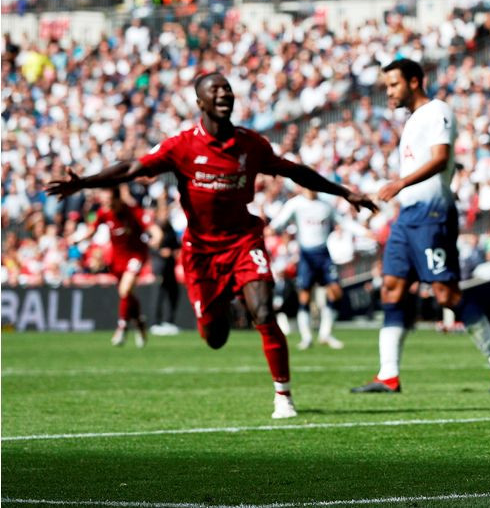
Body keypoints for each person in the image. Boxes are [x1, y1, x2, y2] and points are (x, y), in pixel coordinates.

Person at [47, 72, 377, 419]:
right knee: (215, 337)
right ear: (200, 102)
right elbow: (133, 167)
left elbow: (294, 171)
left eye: (227, 89)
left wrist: (344, 192)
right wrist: (84, 183)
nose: (223, 94)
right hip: (201, 254)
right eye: (214, 90)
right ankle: (220, 309)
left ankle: (283, 396)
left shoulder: (251, 144)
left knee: (264, 312)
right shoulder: (182, 146)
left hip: (244, 241)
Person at [351, 59, 490, 394]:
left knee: (446, 293)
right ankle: (388, 374)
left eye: (394, 84)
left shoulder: (437, 110)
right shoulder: (412, 120)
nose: (389, 92)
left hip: (432, 215)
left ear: (414, 81)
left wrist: (400, 183)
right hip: (407, 216)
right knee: (392, 288)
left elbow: (441, 158)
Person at [268, 186, 349, 350]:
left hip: (324, 254)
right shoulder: (296, 204)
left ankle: (325, 333)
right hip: (306, 255)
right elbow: (280, 220)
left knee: (335, 292)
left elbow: (344, 222)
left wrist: (365, 232)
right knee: (305, 296)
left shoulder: (325, 205)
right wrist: (271, 228)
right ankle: (306, 337)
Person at [74, 186, 150, 347]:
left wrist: (156, 235)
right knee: (127, 294)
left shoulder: (130, 210)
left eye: (108, 200)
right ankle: (139, 322)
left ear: (117, 199)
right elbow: (92, 229)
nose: (106, 204)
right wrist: (78, 239)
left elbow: (148, 224)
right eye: (104, 200)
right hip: (117, 259)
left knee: (125, 289)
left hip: (136, 255)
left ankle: (122, 327)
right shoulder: (104, 213)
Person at [148, 198, 182, 336]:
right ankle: (155, 322)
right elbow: (149, 247)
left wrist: (174, 251)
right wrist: (160, 252)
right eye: (163, 212)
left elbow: (176, 245)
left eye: (167, 212)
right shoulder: (154, 228)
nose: (165, 214)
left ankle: (169, 321)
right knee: (158, 294)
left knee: (173, 293)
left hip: (170, 267)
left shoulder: (170, 228)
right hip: (159, 266)